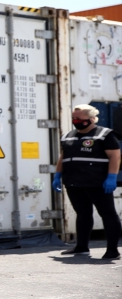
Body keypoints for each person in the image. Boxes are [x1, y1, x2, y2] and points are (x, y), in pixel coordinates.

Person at [52, 104, 121, 260]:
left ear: (91, 119)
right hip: (73, 182)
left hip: (98, 182)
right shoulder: (68, 136)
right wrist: (57, 175)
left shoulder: (105, 134)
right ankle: (81, 247)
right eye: (73, 118)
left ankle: (112, 251)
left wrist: (112, 177)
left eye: (79, 118)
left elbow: (115, 157)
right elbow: (63, 157)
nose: (75, 121)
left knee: (108, 215)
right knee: (82, 214)